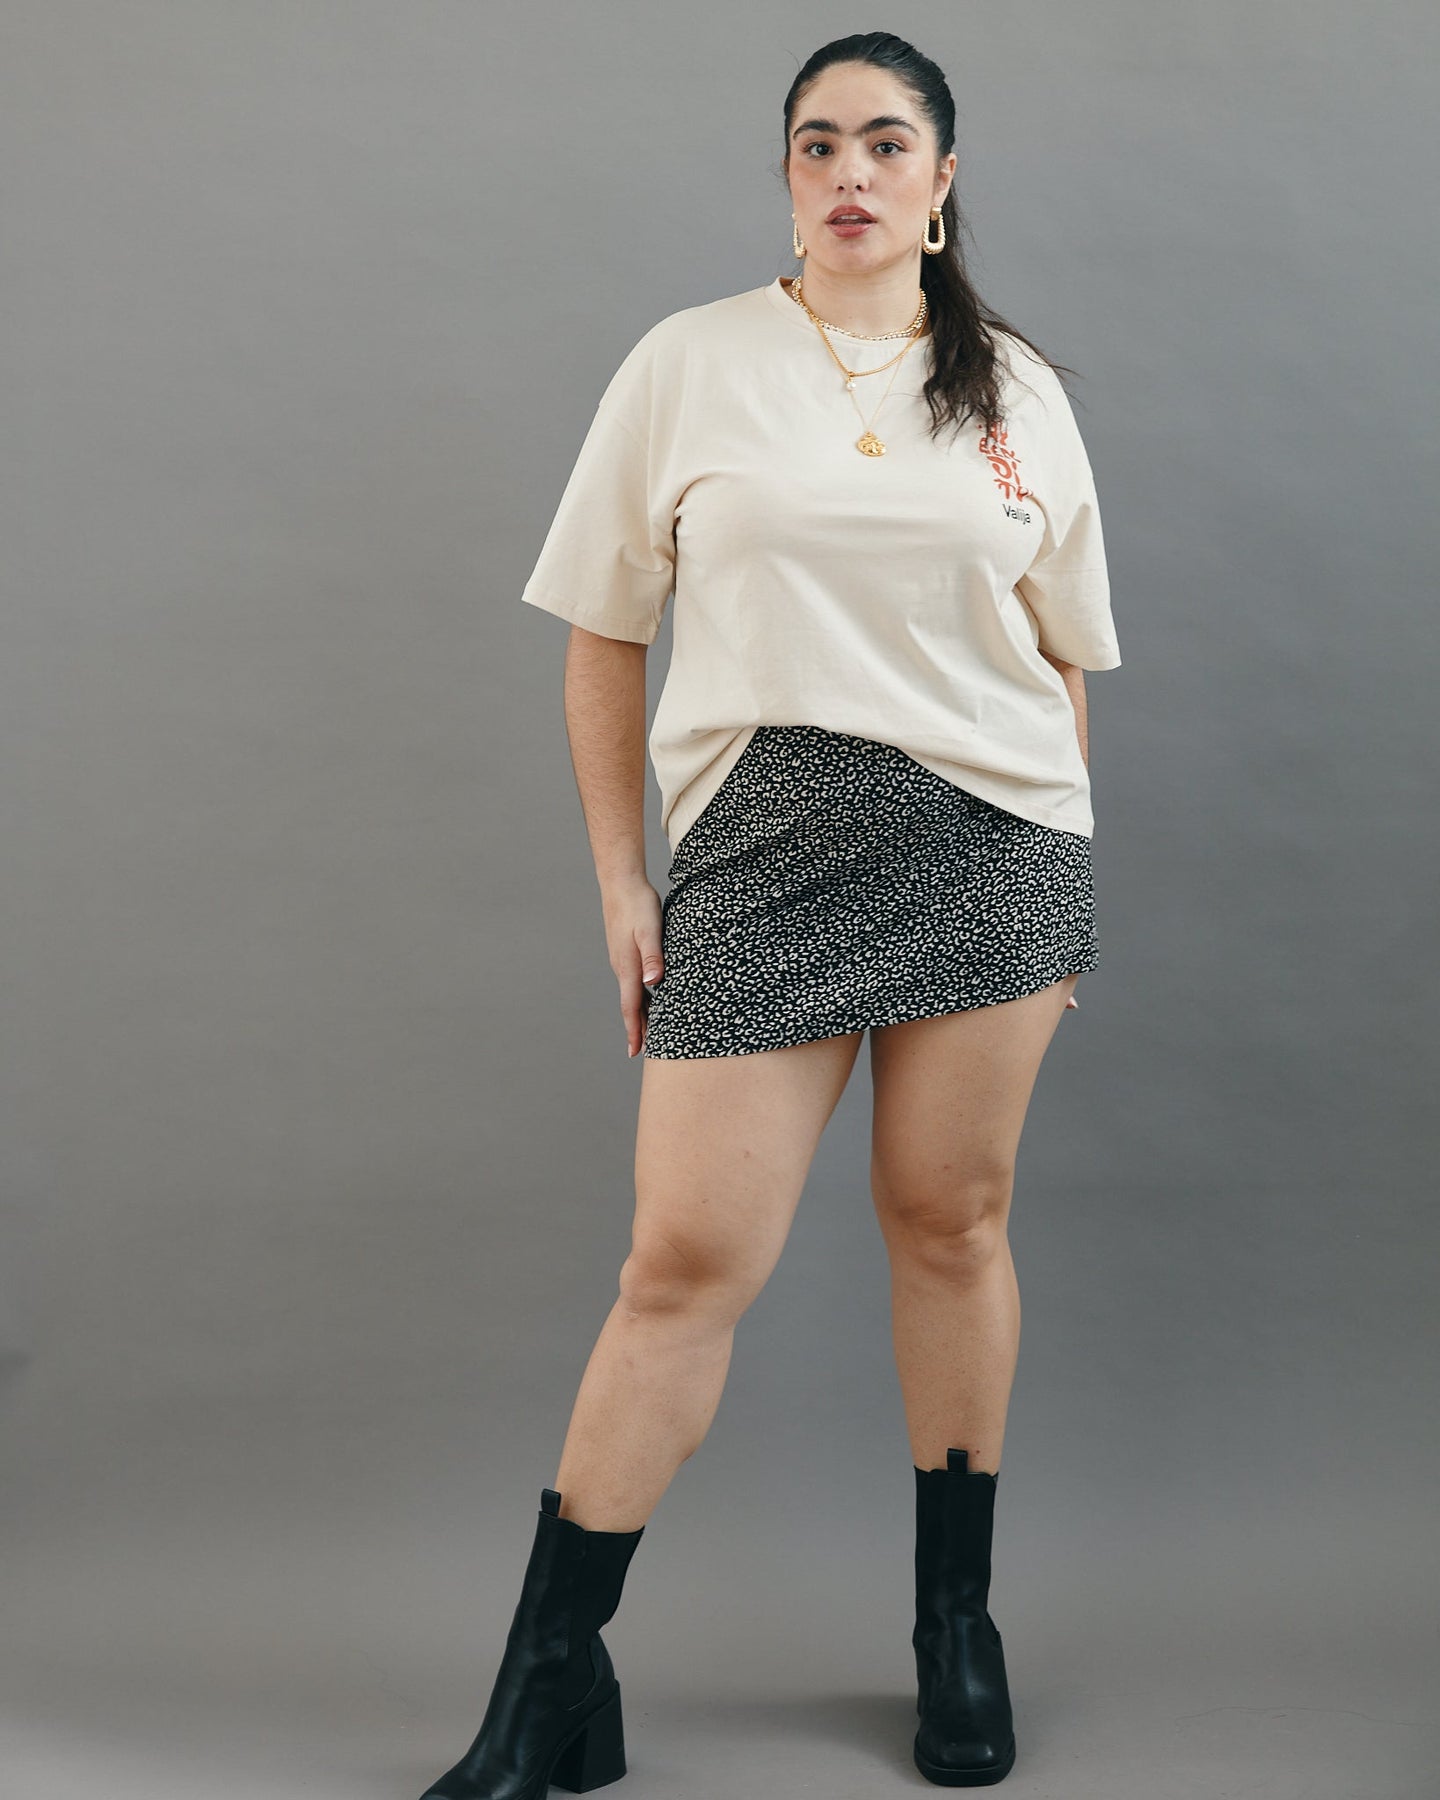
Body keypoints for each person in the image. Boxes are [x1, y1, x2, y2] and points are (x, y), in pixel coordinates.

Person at [417, 28, 1121, 1799]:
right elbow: (605, 631)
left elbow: (1061, 656)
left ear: (942, 180)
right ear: (788, 177)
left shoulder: (1022, 393)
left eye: (886, 143)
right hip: (763, 856)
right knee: (681, 1268)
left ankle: (954, 1628)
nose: (851, 172)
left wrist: (1063, 872)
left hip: (994, 847)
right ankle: (548, 1684)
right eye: (819, 145)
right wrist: (621, 879)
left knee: (949, 1224)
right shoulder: (692, 362)